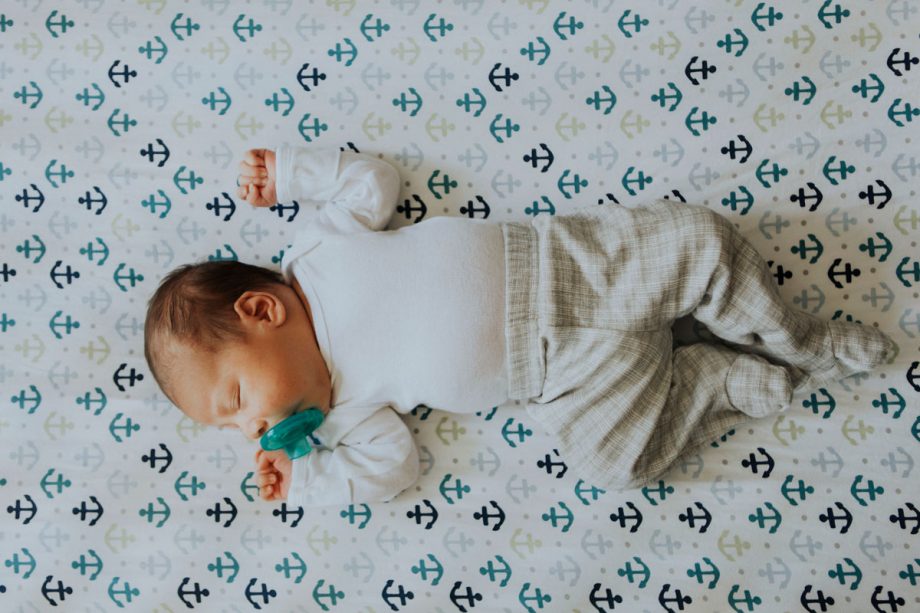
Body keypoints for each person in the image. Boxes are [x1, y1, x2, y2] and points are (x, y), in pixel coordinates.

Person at [143, 146, 895, 507]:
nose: (251, 427)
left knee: (701, 240)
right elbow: (394, 469)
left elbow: (375, 183)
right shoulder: (343, 417)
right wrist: (311, 471)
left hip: (569, 266)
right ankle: (712, 381)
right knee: (615, 461)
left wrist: (293, 177)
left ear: (261, 310)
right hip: (562, 378)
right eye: (233, 424)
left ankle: (806, 339)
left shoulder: (317, 248)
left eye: (236, 394)